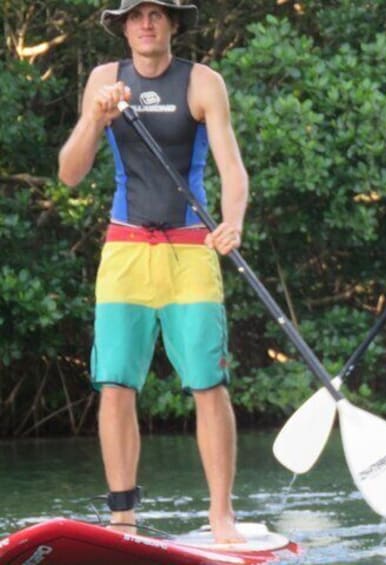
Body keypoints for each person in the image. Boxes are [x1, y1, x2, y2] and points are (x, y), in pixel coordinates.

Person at [58, 0, 248, 542]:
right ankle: (123, 520)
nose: (146, 23)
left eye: (156, 14)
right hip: (125, 249)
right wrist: (96, 117)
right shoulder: (103, 80)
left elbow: (232, 169)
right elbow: (70, 173)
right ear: (122, 26)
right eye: (135, 15)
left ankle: (221, 517)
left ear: (172, 24)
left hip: (191, 248)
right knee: (115, 383)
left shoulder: (202, 82)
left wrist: (232, 223)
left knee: (208, 384)